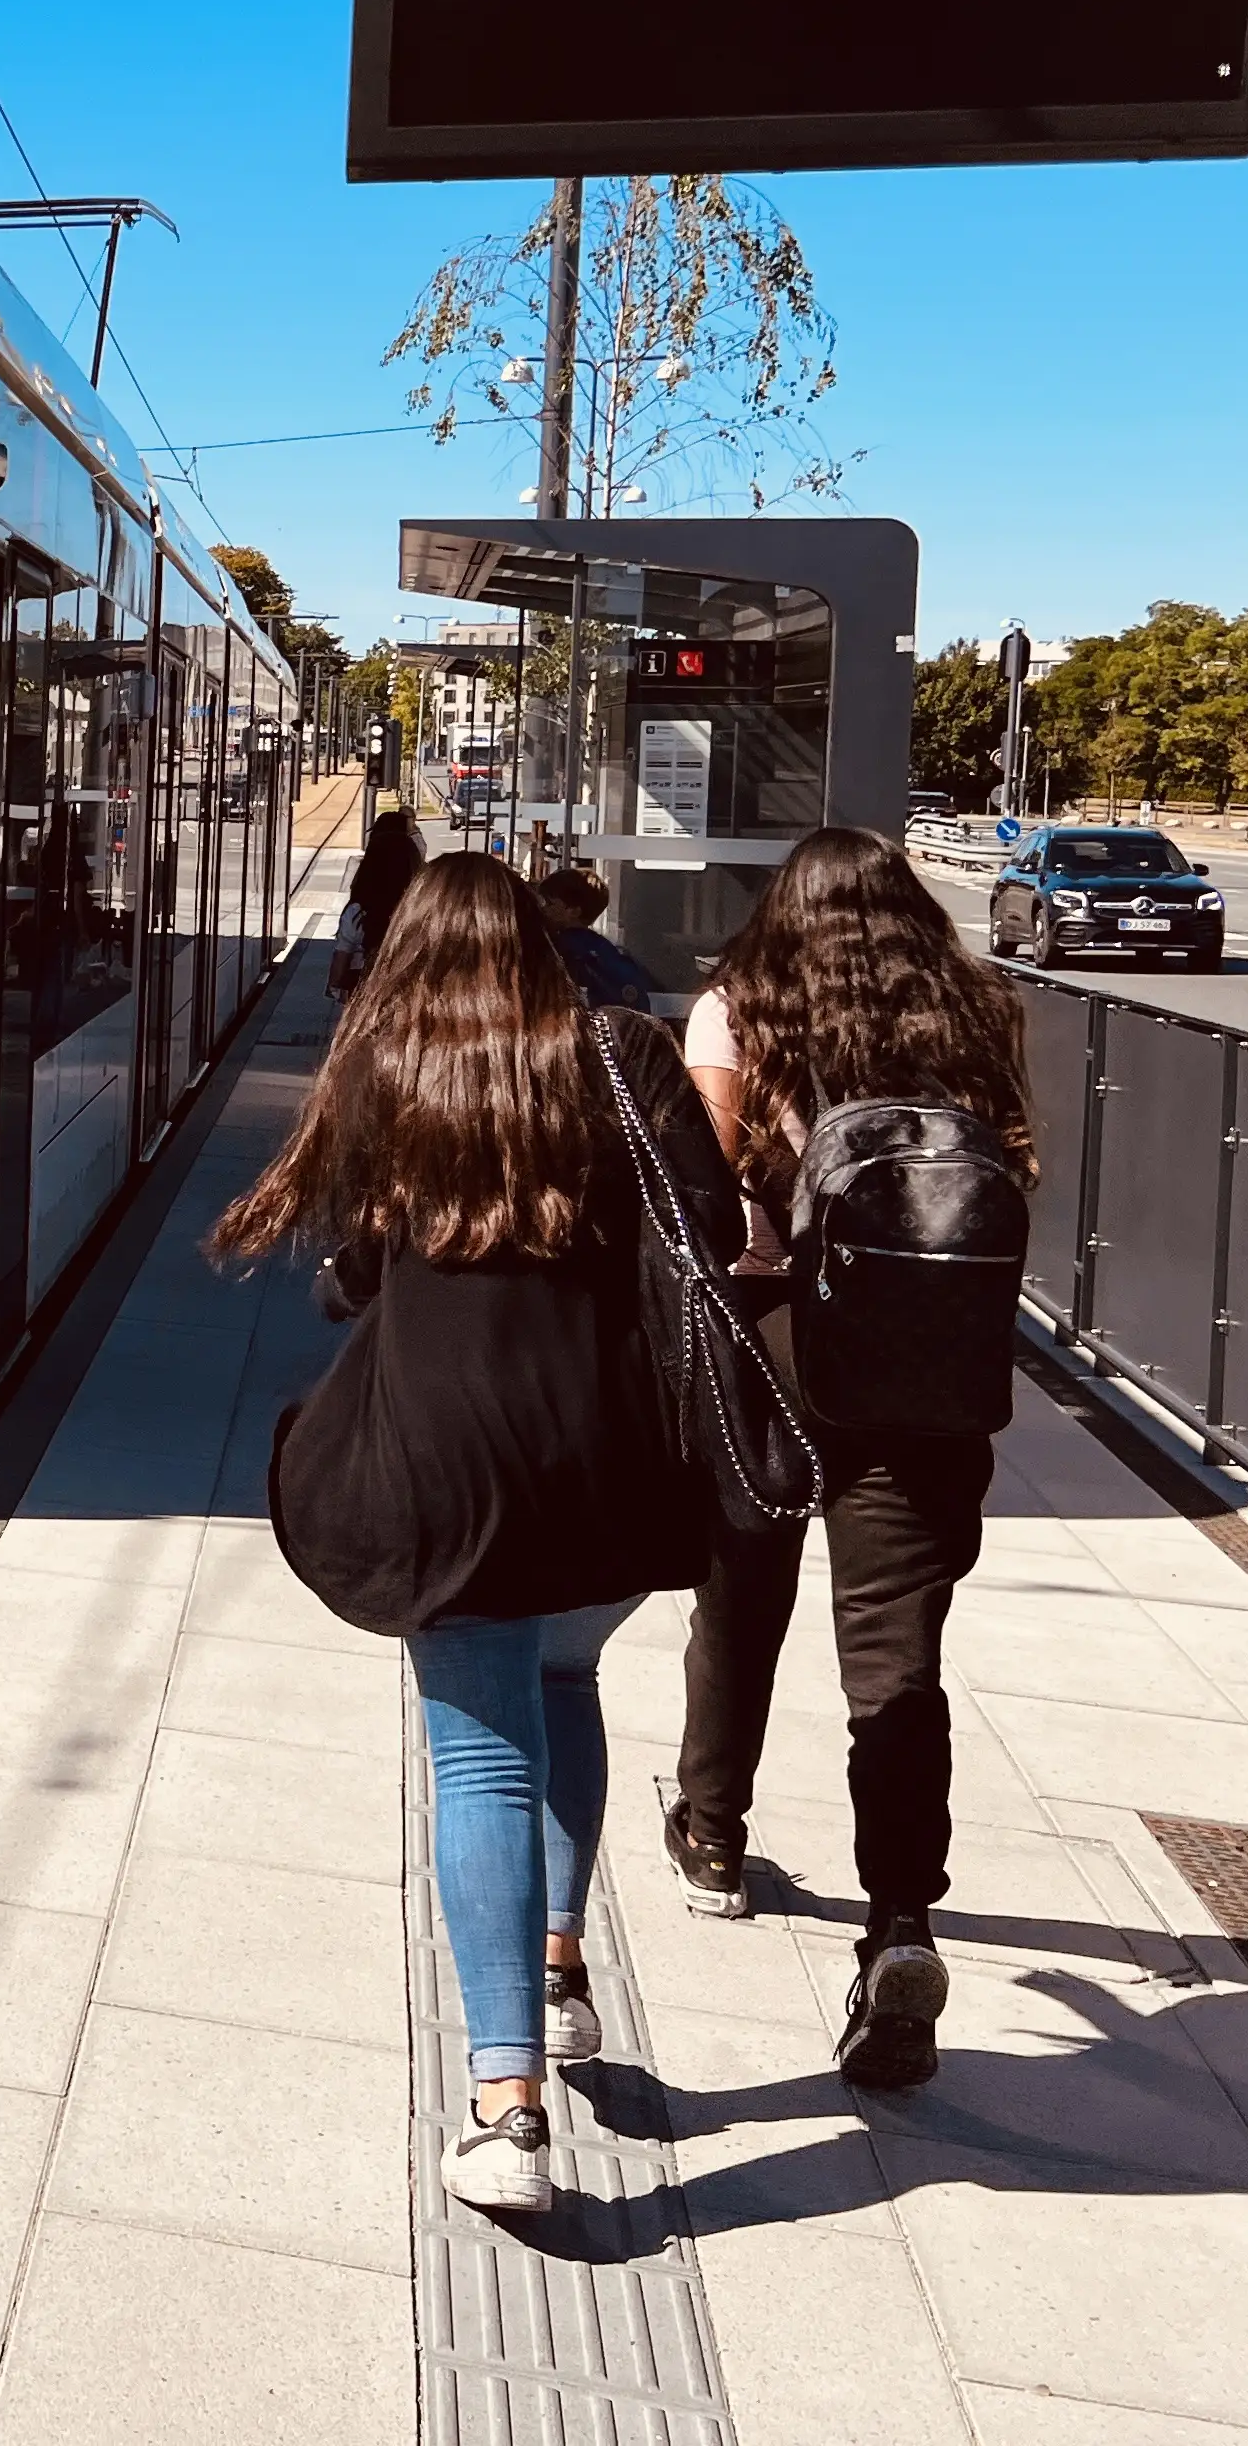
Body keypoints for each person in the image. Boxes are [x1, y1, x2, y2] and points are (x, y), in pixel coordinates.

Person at [215, 852, 736, 2216]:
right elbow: (713, 1226)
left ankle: (509, 2108)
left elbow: (354, 1263)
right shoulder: (625, 1055)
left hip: (448, 1467)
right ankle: (560, 1968)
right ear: (542, 943)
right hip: (615, 1461)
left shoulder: (390, 1067)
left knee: (482, 1758)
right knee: (567, 1678)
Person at [666, 825, 1034, 2092]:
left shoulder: (740, 1008)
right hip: (928, 1367)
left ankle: (714, 1835)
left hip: (777, 1338)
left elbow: (708, 1182)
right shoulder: (975, 1014)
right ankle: (901, 1922)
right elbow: (1012, 1169)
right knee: (896, 1653)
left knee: (740, 1595)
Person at [327, 808, 424, 999]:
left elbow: (340, 964)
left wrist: (336, 986)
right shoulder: (421, 909)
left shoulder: (357, 912)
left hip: (363, 997)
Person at [536, 864, 655, 1011]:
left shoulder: (559, 950)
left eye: (549, 903)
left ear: (574, 912)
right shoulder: (608, 951)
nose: (542, 909)